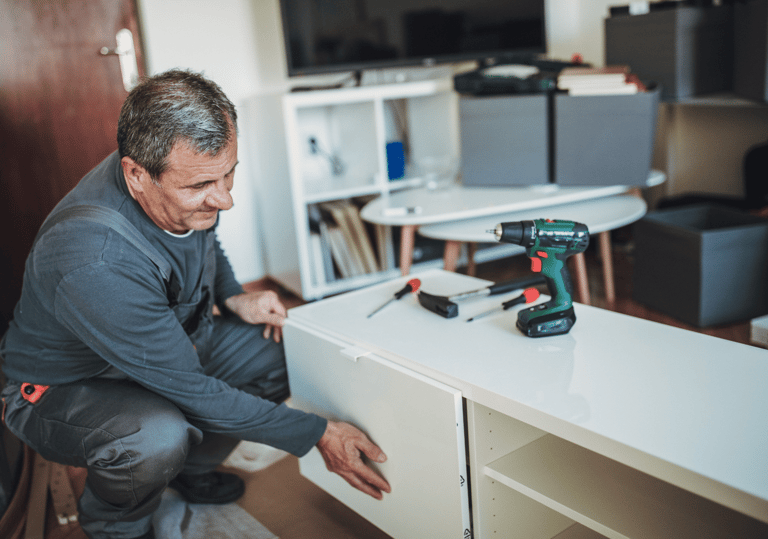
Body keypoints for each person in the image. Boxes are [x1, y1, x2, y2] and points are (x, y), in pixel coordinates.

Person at [0, 69, 390, 539]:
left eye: (230, 173)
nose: (224, 199)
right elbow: (192, 390)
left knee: (281, 353)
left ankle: (189, 469)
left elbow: (203, 240)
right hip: (61, 389)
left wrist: (233, 295)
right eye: (204, 185)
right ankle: (114, 526)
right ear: (136, 175)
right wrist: (317, 433)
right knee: (155, 436)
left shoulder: (177, 172)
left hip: (164, 342)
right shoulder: (94, 258)